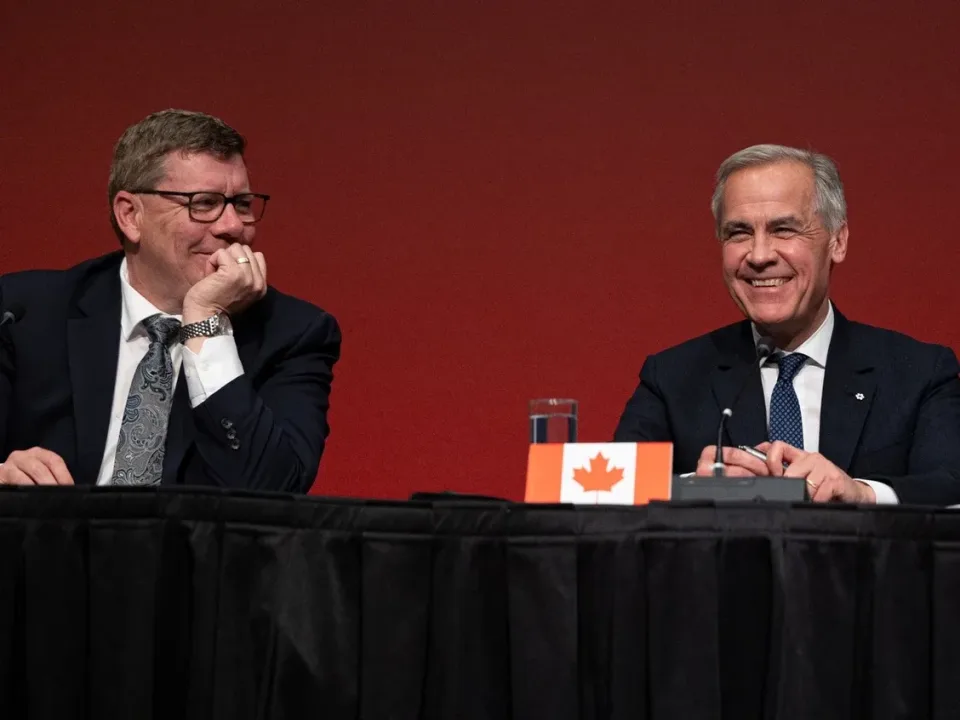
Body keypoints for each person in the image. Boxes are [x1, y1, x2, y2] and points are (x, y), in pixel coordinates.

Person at [0, 109, 341, 492]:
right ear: (131, 215)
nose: (233, 226)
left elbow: (273, 494)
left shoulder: (293, 334)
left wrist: (207, 324)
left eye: (243, 204)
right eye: (204, 203)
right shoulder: (23, 313)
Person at [614, 144, 960, 505]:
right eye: (739, 233)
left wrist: (863, 493)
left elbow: (951, 485)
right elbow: (613, 492)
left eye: (783, 229)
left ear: (838, 241)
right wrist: (695, 487)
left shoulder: (918, 373)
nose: (759, 255)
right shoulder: (673, 378)